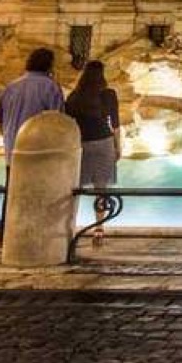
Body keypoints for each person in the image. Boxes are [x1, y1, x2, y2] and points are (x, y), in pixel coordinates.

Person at [64, 61, 121, 243]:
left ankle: (69, 227)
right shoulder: (108, 94)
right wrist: (117, 147)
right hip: (104, 142)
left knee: (75, 188)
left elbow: (68, 123)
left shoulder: (74, 97)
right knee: (101, 189)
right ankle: (99, 228)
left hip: (82, 144)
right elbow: (116, 124)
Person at [0, 48, 64, 162]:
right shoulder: (51, 87)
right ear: (49, 65)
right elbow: (57, 121)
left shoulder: (10, 87)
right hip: (38, 153)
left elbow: (0, 121)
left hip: (13, 152)